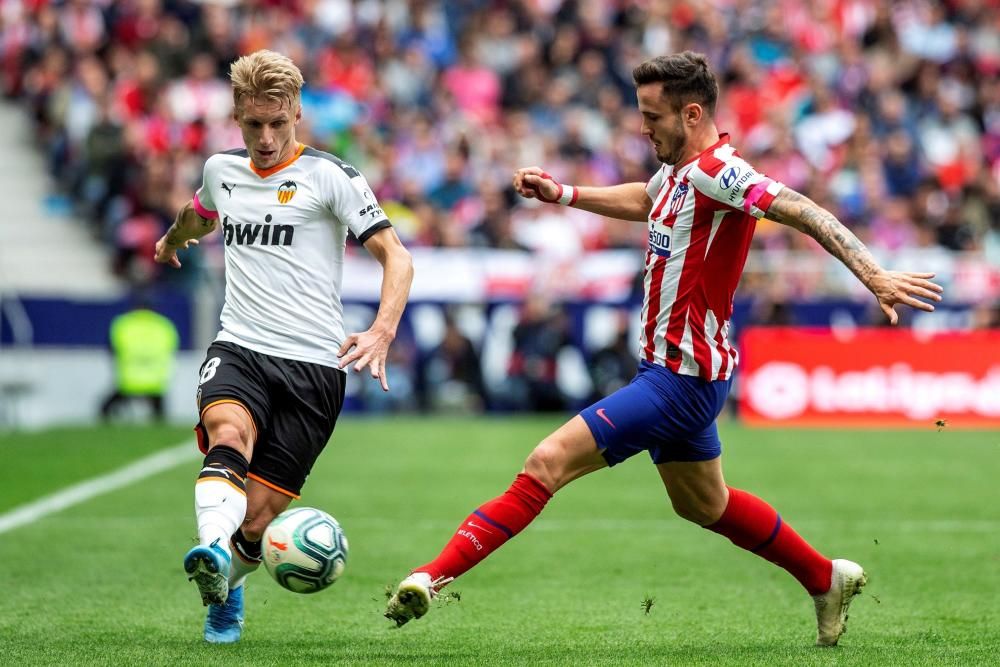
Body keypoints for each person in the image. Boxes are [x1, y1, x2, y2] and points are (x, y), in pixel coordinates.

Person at [385, 52, 942, 646]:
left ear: (692, 113)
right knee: (704, 504)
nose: (643, 127)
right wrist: (566, 192)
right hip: (679, 373)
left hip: (679, 380)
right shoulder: (678, 171)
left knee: (546, 463)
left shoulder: (720, 171)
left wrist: (873, 273)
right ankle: (825, 577)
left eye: (652, 116)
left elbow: (802, 210)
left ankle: (430, 577)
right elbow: (646, 199)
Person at [153, 50, 413, 644]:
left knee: (258, 521)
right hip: (240, 345)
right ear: (237, 117)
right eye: (253, 125)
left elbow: (396, 256)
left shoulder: (332, 177)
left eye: (278, 123)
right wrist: (172, 239)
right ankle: (212, 552)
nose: (266, 139)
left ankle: (229, 578)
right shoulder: (223, 170)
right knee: (227, 432)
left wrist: (381, 331)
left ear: (296, 111)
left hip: (314, 366)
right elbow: (200, 215)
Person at [99, 300, 179, 422]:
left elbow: (112, 349)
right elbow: (172, 349)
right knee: (160, 418)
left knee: (105, 409)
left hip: (128, 380)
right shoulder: (164, 324)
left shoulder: (123, 323)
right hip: (155, 382)